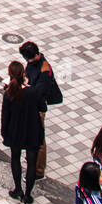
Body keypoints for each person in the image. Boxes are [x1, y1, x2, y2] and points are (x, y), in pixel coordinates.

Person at [1, 60, 45, 204]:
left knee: (15, 158)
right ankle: (28, 195)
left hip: (15, 131)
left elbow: (5, 116)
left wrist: (4, 133)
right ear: (23, 74)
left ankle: (18, 189)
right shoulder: (32, 92)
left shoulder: (9, 94)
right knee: (31, 163)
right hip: (32, 130)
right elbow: (43, 108)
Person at [18, 41, 62, 180]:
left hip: (37, 107)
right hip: (30, 103)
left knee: (39, 139)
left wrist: (26, 89)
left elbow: (39, 92)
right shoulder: (32, 63)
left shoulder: (45, 70)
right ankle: (33, 160)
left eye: (30, 59)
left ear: (37, 54)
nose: (28, 61)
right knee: (33, 135)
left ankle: (38, 170)